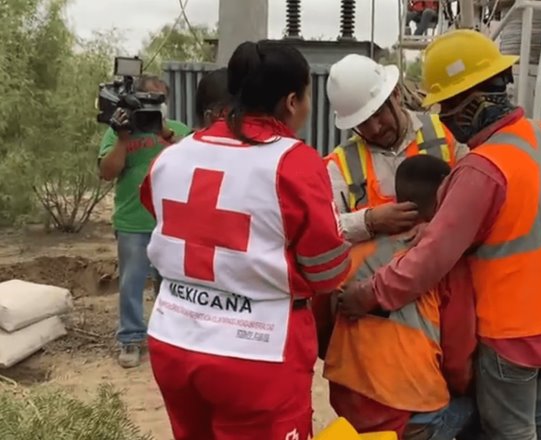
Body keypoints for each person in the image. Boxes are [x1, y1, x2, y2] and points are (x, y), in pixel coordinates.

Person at [338, 29, 541, 440]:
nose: (445, 116)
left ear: (475, 100)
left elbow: (430, 259)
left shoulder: (481, 168)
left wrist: (368, 295)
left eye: (448, 104)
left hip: (511, 331)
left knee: (510, 430)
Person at [140, 40, 350, 440]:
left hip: (173, 340)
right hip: (259, 355)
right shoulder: (295, 162)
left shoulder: (172, 155)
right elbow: (326, 271)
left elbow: (162, 213)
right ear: (292, 101)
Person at [313, 155, 479, 440]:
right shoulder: (446, 264)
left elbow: (323, 327)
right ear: (445, 202)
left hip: (350, 399)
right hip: (412, 412)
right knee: (484, 409)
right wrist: (463, 387)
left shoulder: (351, 254)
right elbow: (459, 352)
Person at [98, 75, 192, 369]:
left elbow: (196, 162)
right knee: (131, 282)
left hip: (172, 222)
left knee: (172, 283)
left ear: (167, 103)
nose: (154, 104)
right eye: (148, 99)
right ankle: (131, 339)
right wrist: (123, 140)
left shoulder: (178, 131)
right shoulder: (119, 131)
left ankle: (170, 337)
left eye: (159, 99)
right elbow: (107, 172)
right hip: (132, 220)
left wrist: (164, 133)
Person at [325, 54, 468, 244]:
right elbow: (325, 227)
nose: (375, 128)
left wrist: (438, 227)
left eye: (378, 114)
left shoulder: (446, 132)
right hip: (377, 271)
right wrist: (369, 221)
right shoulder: (340, 164)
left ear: (396, 94)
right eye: (363, 123)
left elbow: (475, 197)